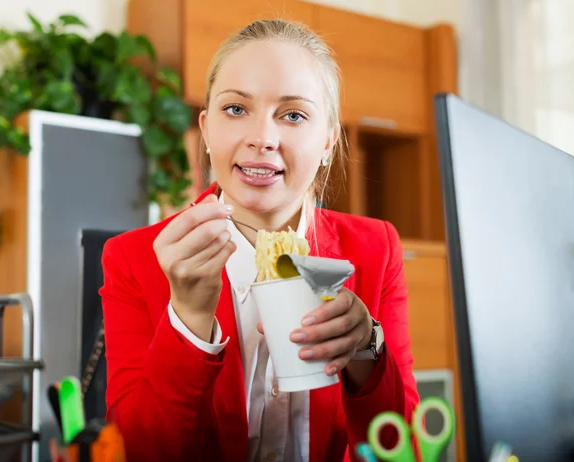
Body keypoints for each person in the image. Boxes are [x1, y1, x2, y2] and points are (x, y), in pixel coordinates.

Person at [99, 18, 419, 462]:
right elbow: (140, 452)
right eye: (236, 109)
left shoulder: (376, 250)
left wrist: (366, 349)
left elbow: (404, 449)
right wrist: (189, 318)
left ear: (328, 141)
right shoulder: (132, 258)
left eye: (293, 115)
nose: (262, 139)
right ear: (206, 130)